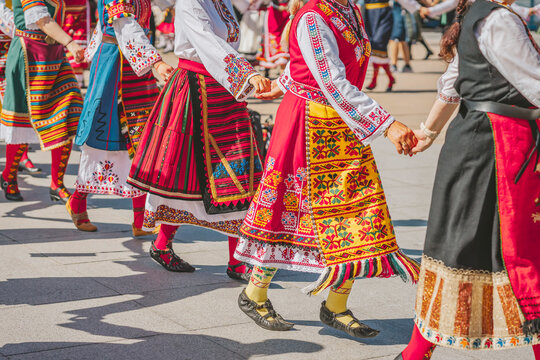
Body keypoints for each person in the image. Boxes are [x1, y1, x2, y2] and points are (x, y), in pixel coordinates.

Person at [234, 0, 420, 337]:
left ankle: (336, 304)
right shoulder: (313, 15)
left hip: (341, 124)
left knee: (358, 212)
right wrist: (387, 125)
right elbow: (332, 81)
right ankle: (253, 293)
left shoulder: (346, 9)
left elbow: (312, 63)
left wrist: (285, 78)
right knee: (286, 210)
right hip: (307, 124)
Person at [395, 0, 540, 358]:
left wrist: (429, 131)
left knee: (458, 244)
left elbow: (452, 82)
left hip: (474, 141)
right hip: (497, 144)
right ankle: (416, 351)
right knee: (516, 249)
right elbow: (536, 84)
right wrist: (428, 131)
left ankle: (416, 351)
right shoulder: (497, 19)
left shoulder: (477, 14)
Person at [127, 0, 271, 280]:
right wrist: (247, 74)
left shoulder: (223, 1)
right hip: (196, 88)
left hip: (226, 90)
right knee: (183, 174)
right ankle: (163, 243)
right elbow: (207, 43)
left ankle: (236, 260)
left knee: (240, 170)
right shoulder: (189, 2)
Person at [65, 0, 173, 233]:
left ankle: (139, 219)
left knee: (140, 138)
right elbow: (125, 24)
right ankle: (78, 200)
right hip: (114, 64)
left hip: (136, 64)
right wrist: (156, 61)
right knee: (105, 134)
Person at [0, 0, 84, 203]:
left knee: (69, 110)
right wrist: (70, 43)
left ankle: (57, 184)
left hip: (54, 54)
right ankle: (9, 176)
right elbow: (41, 19)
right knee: (24, 119)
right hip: (29, 55)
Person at [364, 0, 419, 91]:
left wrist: (418, 7)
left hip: (384, 15)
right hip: (368, 15)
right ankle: (389, 78)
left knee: (378, 45)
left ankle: (376, 79)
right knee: (374, 48)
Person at [257, 0, 290, 71]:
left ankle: (283, 72)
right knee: (273, 39)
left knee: (287, 37)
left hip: (288, 11)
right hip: (274, 13)